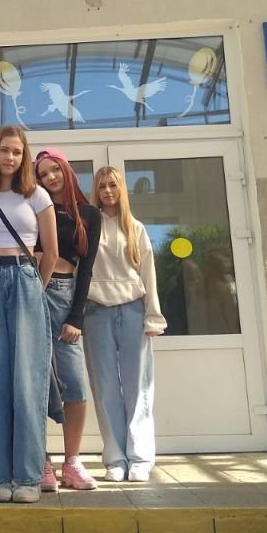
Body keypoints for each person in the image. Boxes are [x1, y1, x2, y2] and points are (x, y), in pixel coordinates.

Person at [0, 125, 58, 504]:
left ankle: (28, 476)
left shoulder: (36, 196)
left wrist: (35, 287)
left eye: (17, 152)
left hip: (25, 278)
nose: (10, 157)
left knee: (27, 381)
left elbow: (51, 253)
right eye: (4, 150)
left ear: (24, 157)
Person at [85, 166, 165, 483]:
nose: (107, 191)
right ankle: (115, 458)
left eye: (113, 186)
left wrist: (153, 316)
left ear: (122, 190)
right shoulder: (88, 226)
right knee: (105, 388)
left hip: (132, 311)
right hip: (96, 312)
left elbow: (149, 274)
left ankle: (140, 458)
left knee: (138, 386)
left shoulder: (136, 228)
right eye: (102, 186)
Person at [34, 149, 101, 491]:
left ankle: (72, 462)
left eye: (54, 170)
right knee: (35, 380)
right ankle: (41, 460)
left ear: (66, 170)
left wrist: (76, 317)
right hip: (34, 290)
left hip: (65, 292)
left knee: (74, 382)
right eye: (43, 174)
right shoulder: (35, 206)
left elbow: (86, 270)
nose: (50, 178)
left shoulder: (89, 214)